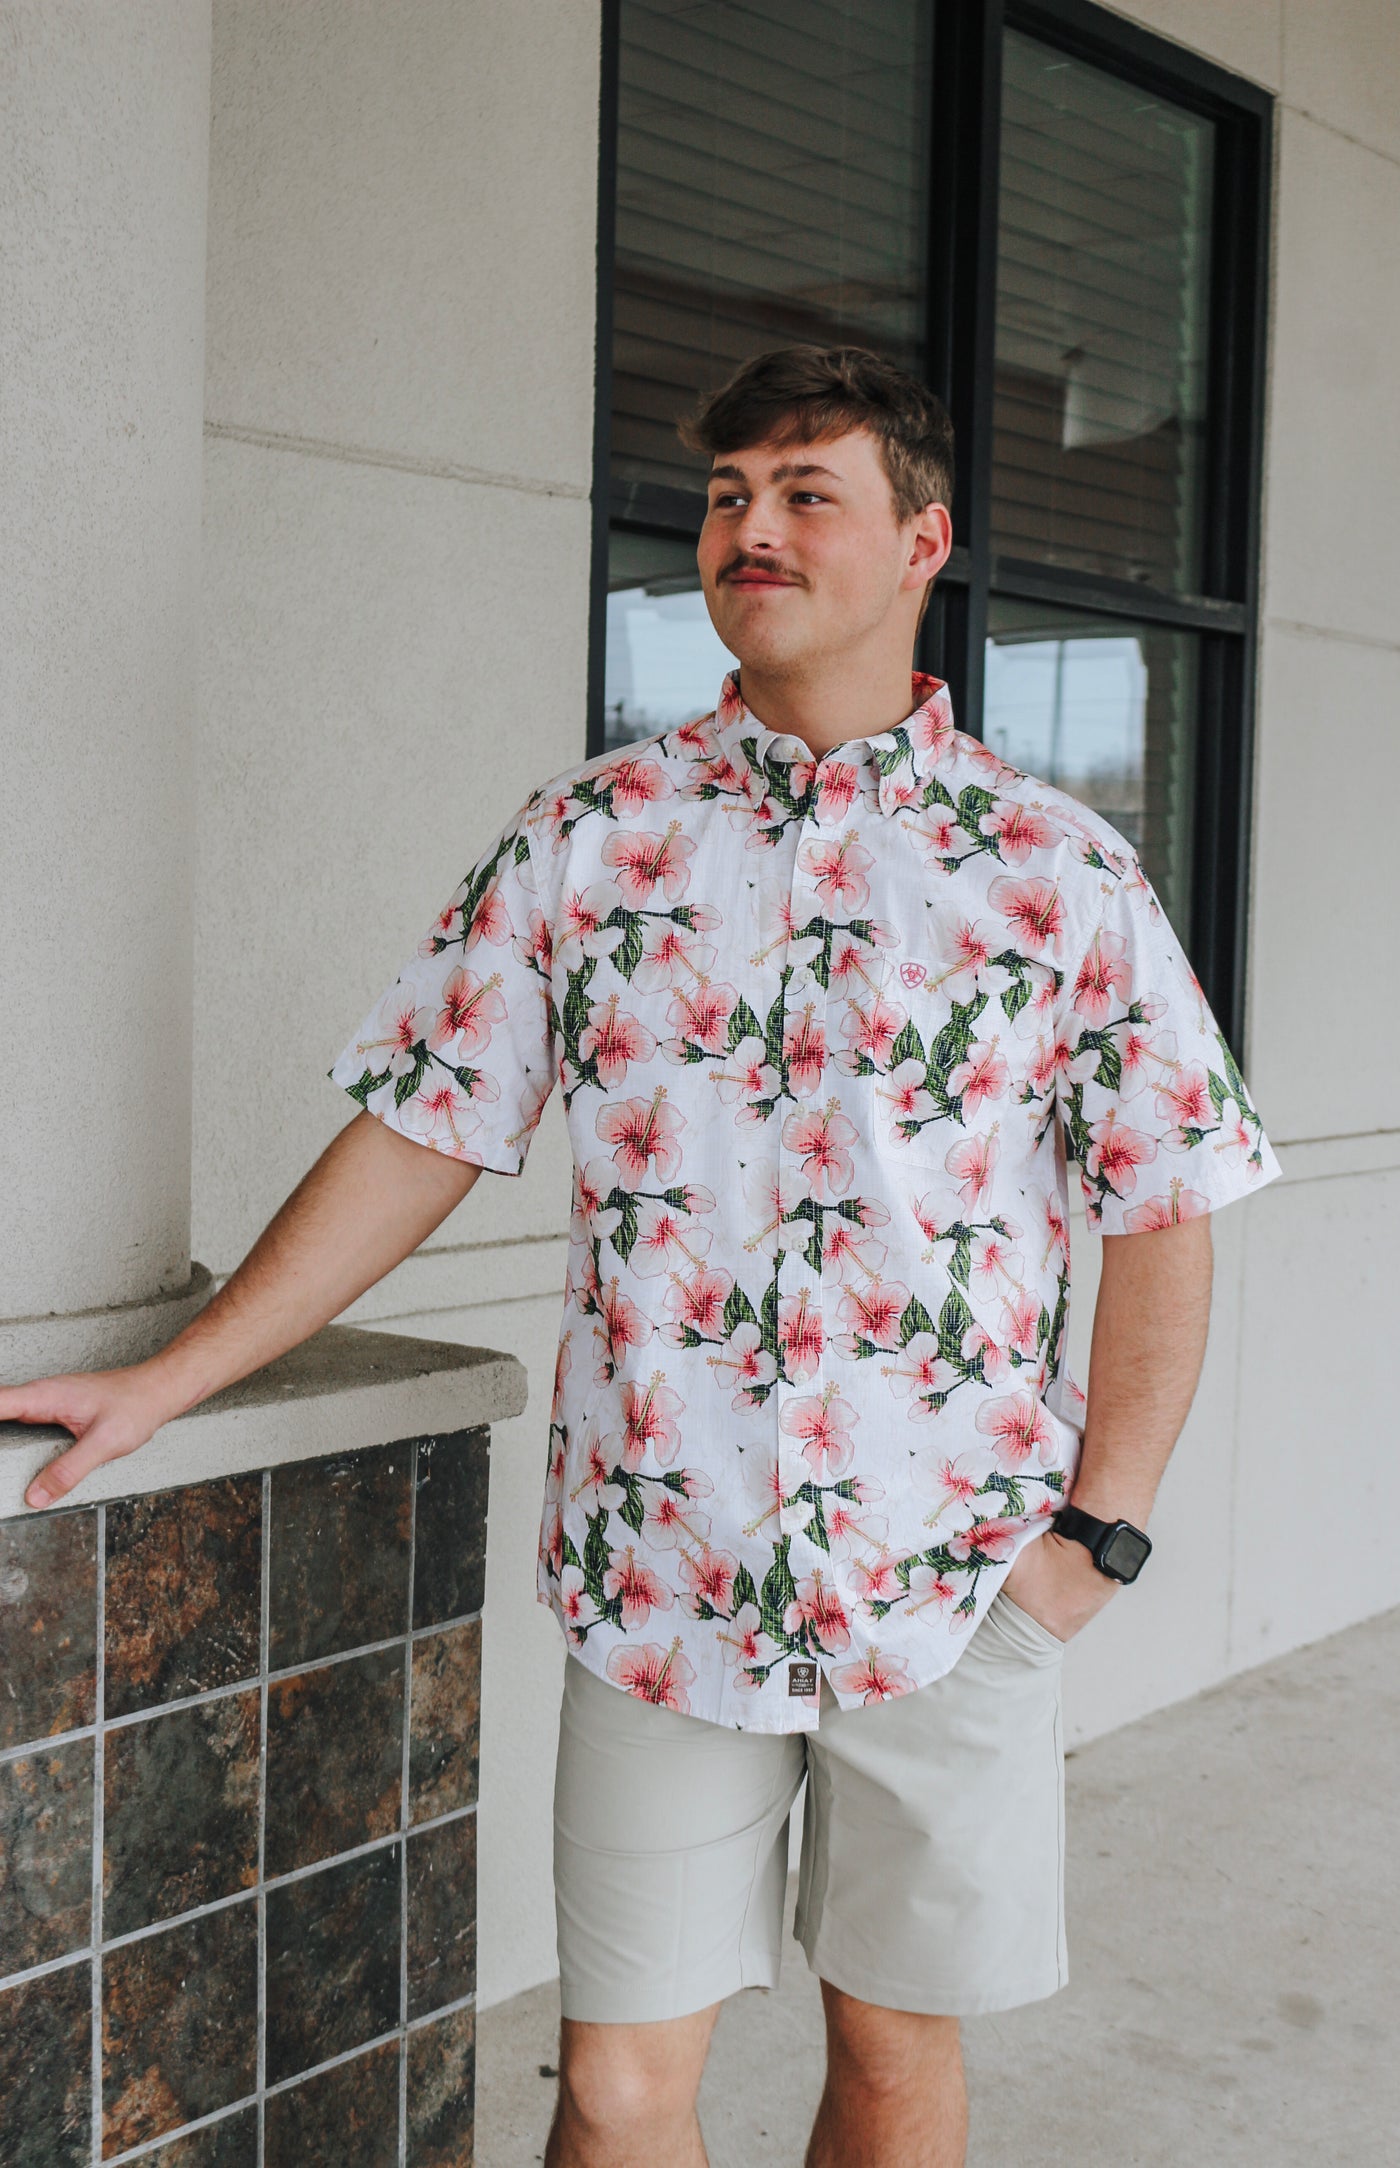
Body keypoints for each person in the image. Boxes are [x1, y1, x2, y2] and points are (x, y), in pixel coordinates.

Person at [4, 345, 1280, 2167]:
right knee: (611, 2094)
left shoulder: (1058, 872)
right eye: (724, 495)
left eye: (803, 492)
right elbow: (419, 1130)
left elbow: (1163, 1201)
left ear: (925, 540)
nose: (748, 527)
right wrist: (174, 1373)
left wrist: (1099, 1537)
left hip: (954, 1578)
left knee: (897, 2066)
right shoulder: (588, 839)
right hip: (658, 1567)